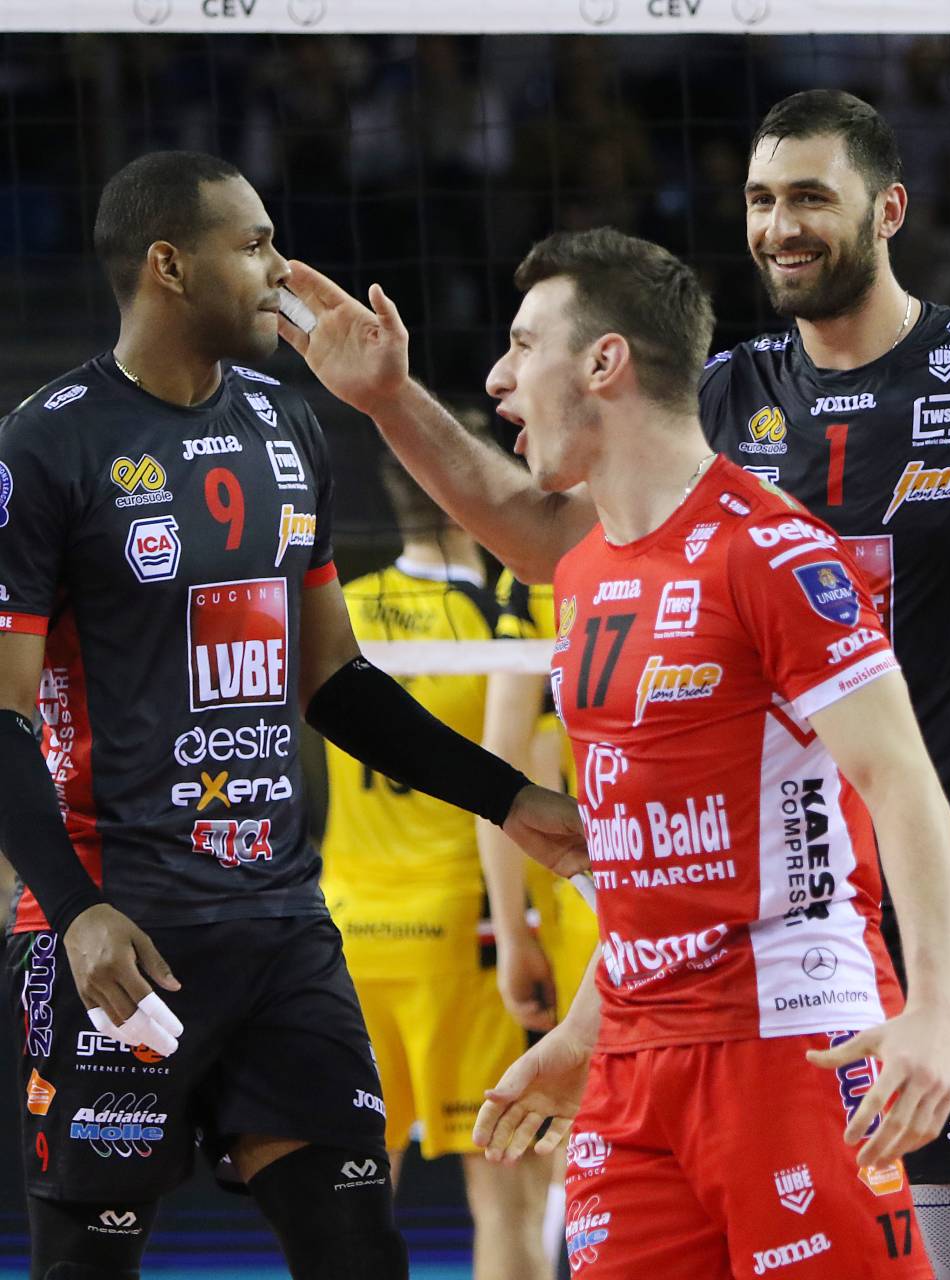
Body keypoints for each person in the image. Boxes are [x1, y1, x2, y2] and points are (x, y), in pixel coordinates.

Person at [278, 226, 950, 1278]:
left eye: (523, 346)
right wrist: (584, 1031)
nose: (500, 378)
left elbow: (902, 780)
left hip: (790, 1033)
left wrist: (937, 1011)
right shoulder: (589, 565)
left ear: (605, 363)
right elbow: (647, 861)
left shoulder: (771, 550)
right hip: (633, 1052)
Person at [0, 151, 584, 1280]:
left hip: (280, 927)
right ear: (169, 265)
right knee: (86, 1264)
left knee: (358, 1249)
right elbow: (3, 717)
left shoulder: (288, 425)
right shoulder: (44, 445)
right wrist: (73, 911)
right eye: (255, 244)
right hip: (121, 926)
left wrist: (510, 799)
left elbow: (335, 682)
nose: (281, 270)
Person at [701, 91, 950, 1278]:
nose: (780, 226)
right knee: (796, 1233)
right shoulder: (719, 397)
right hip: (778, 904)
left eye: (811, 196)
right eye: (762, 199)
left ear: (889, 209)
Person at [318, 449, 555, 1279]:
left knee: (350, 1193)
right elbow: (528, 773)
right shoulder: (504, 616)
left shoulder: (341, 607)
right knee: (507, 1193)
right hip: (464, 936)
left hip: (350, 931)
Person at [482, 565, 606, 1268]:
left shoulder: (541, 576)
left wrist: (511, 932)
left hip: (594, 894)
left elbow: (500, 764)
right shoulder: (761, 537)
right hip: (707, 880)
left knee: (582, 1134)